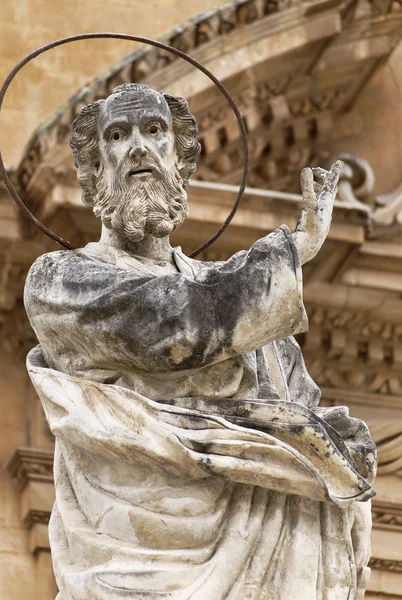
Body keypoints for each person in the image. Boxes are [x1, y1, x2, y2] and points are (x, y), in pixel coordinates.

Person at [24, 83, 376, 600]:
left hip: (264, 553)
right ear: (96, 170)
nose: (139, 146)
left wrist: (334, 446)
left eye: (154, 131)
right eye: (119, 135)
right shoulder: (60, 281)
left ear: (180, 161)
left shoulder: (261, 331)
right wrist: (293, 250)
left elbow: (302, 413)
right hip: (126, 563)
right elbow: (173, 329)